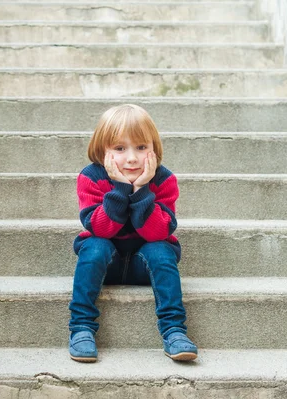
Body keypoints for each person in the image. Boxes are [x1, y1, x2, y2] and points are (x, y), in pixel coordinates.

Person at [68, 104, 197, 363]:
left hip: (144, 265)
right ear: (102, 151)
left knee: (160, 249)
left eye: (141, 147)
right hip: (107, 264)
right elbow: (102, 228)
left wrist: (140, 191)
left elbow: (157, 232)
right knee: (95, 245)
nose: (131, 158)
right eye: (119, 148)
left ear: (154, 148)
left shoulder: (163, 180)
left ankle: (174, 330)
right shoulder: (91, 178)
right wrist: (119, 189)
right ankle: (81, 328)